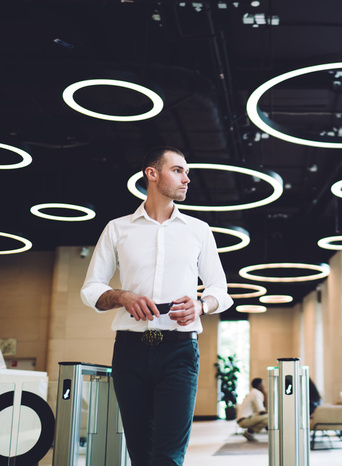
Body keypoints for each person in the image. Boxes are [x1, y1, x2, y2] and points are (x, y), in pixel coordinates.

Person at [80, 146, 233, 466]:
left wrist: (202, 306)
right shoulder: (117, 229)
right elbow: (91, 289)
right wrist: (122, 296)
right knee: (140, 453)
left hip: (180, 353)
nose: (187, 178)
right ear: (152, 173)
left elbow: (221, 290)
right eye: (178, 170)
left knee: (167, 455)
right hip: (129, 352)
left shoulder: (198, 230)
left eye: (186, 171)